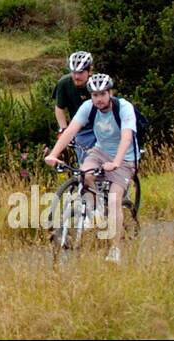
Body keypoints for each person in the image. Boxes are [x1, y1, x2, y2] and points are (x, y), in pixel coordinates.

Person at [44, 73, 138, 263]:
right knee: (84, 174)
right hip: (99, 152)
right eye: (94, 95)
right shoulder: (88, 108)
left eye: (102, 94)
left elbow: (127, 137)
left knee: (114, 200)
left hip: (125, 158)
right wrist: (54, 154)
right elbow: (70, 131)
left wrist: (117, 162)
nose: (99, 99)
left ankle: (115, 249)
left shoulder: (124, 108)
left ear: (110, 93)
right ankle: (92, 212)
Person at [53, 51, 97, 160]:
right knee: (86, 163)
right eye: (74, 72)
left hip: (101, 127)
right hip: (81, 129)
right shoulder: (64, 83)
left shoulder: (97, 82)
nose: (76, 76)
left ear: (89, 71)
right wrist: (63, 129)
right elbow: (59, 108)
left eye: (81, 72)